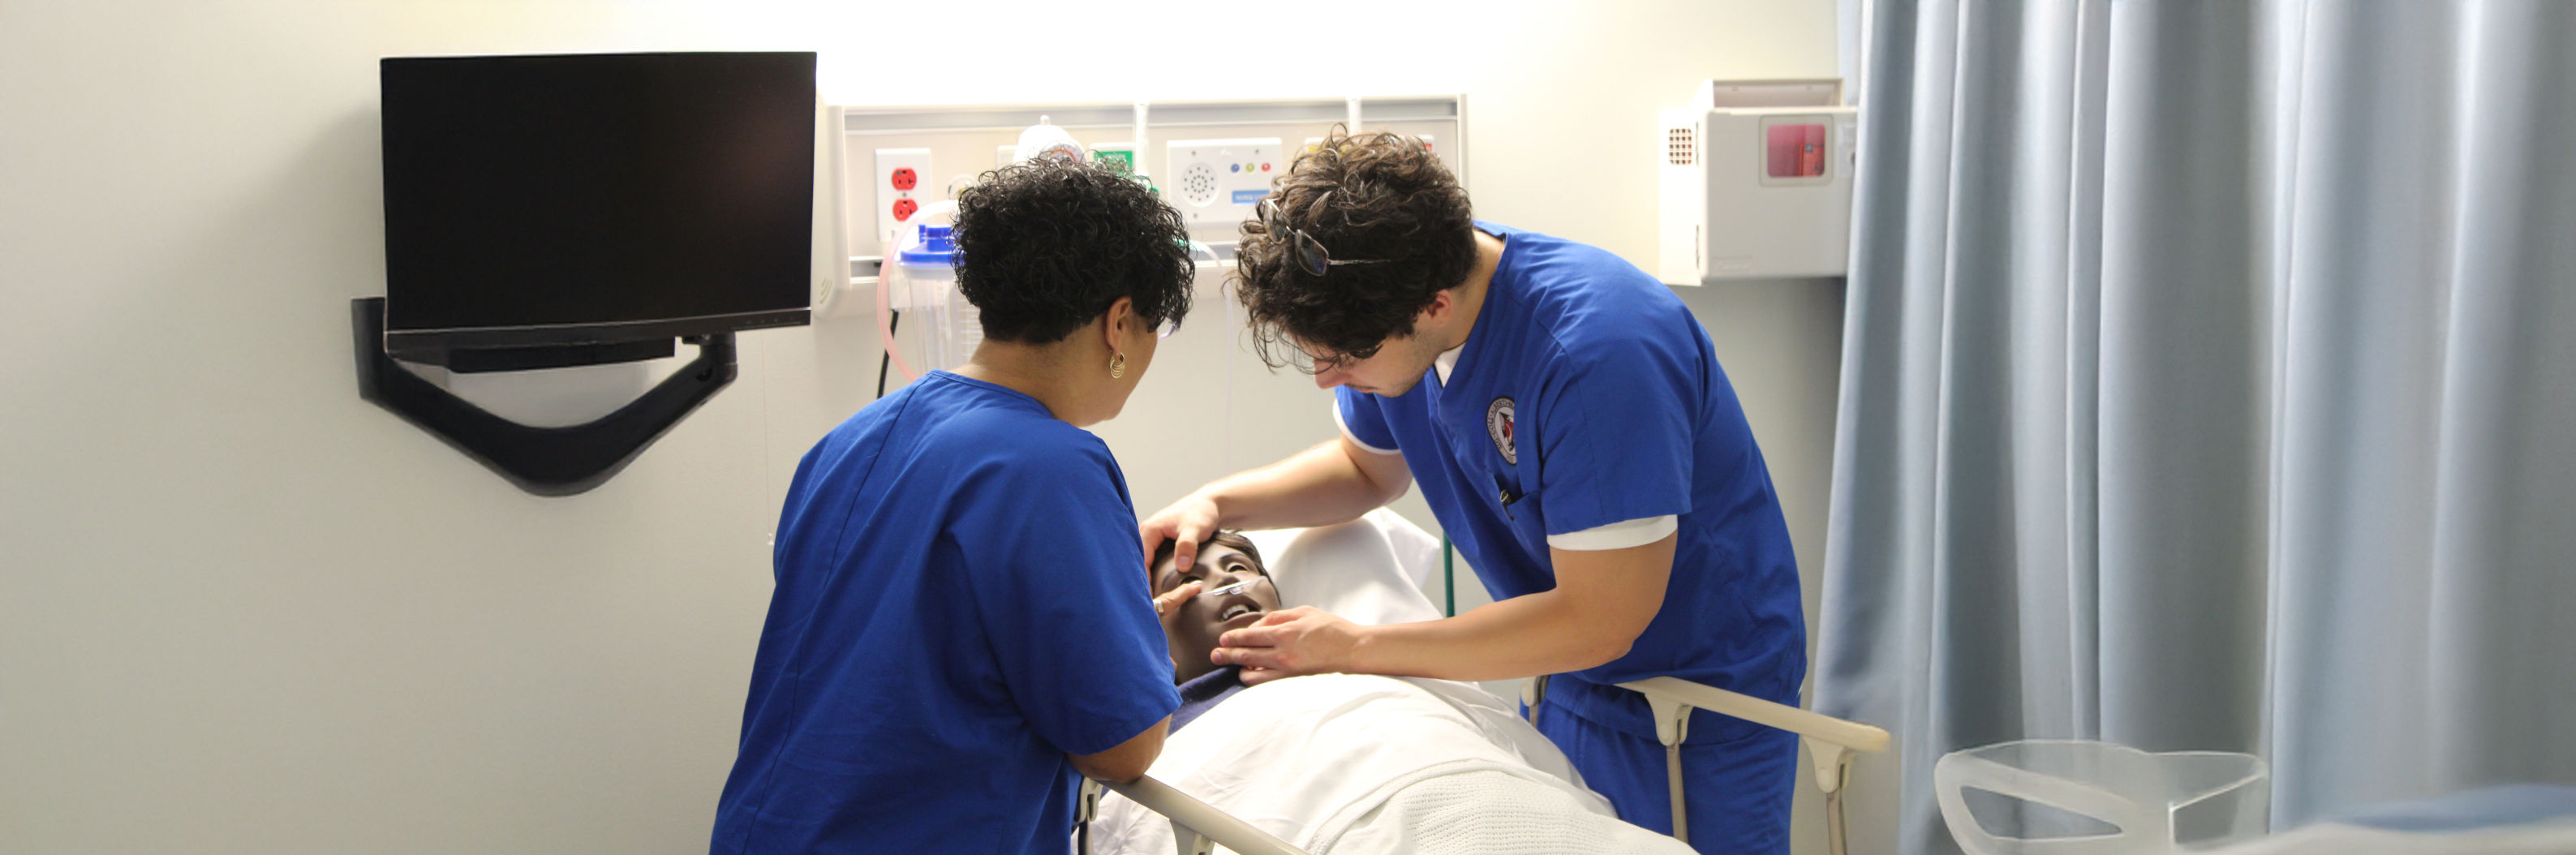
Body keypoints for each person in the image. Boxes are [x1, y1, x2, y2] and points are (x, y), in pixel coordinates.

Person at [1137, 129, 1806, 853]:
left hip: (1699, 698)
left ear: (1433, 306)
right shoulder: (1387, 311)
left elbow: (1601, 619)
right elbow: (1367, 470)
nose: (1327, 379)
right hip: (1564, 679)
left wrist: (1356, 645)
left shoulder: (1597, 356)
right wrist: (1219, 504)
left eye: (1342, 359)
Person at [712, 160, 1203, 855]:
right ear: (1119, 324)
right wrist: (1139, 651)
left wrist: (1105, 632)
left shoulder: (851, 439)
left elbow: (908, 640)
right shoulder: (1052, 466)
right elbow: (1122, 748)